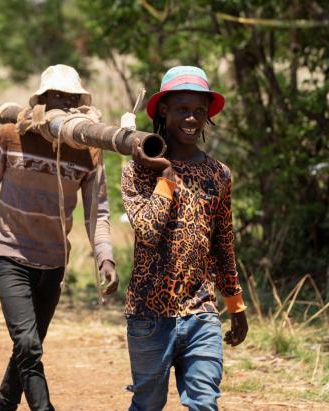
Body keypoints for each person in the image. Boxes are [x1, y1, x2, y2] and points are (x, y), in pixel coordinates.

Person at [0, 64, 119, 411]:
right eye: (57, 96)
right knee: (27, 344)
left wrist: (105, 257)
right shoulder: (11, 136)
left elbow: (97, 212)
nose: (65, 105)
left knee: (27, 348)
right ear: (41, 100)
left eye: (72, 99)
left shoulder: (89, 150)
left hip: (54, 262)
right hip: (12, 254)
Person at [120, 65, 248, 410]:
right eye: (182, 110)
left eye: (198, 111)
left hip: (202, 313)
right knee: (148, 404)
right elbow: (147, 231)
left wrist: (235, 305)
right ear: (164, 110)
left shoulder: (218, 174)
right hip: (149, 315)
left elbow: (223, 244)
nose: (191, 119)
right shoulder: (138, 170)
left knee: (205, 403)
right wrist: (166, 176)